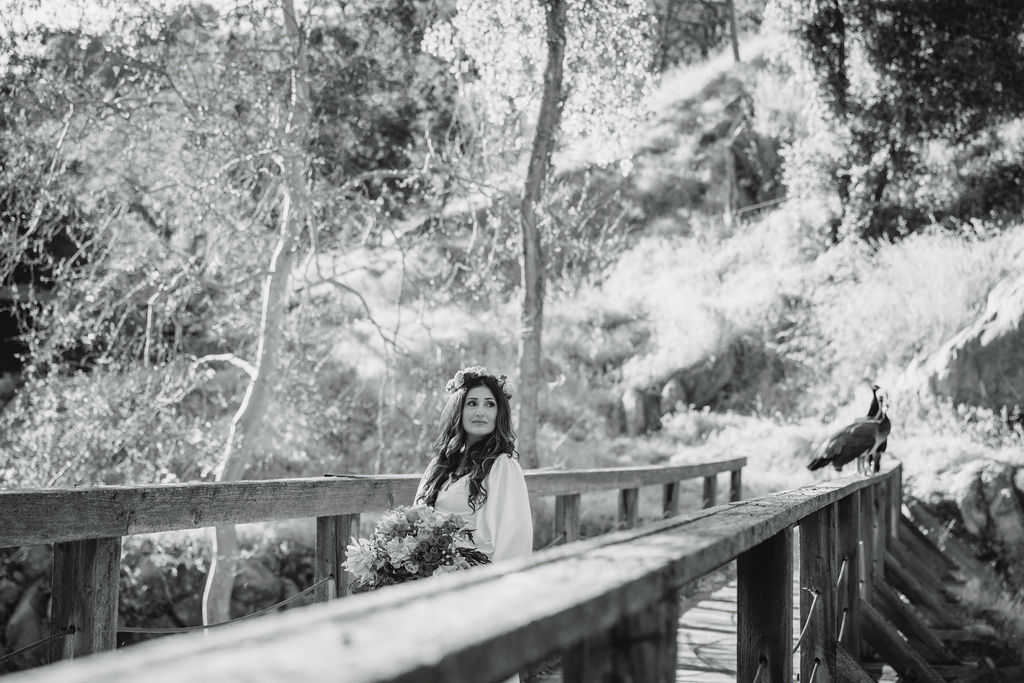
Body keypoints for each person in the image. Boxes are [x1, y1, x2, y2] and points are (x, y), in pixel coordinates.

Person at [414, 366, 533, 564]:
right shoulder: (438, 466)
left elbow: (515, 539)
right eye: (472, 403)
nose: (480, 412)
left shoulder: (502, 466)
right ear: (458, 409)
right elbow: (414, 520)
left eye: (489, 404)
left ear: (499, 412)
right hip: (431, 575)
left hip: (476, 577)